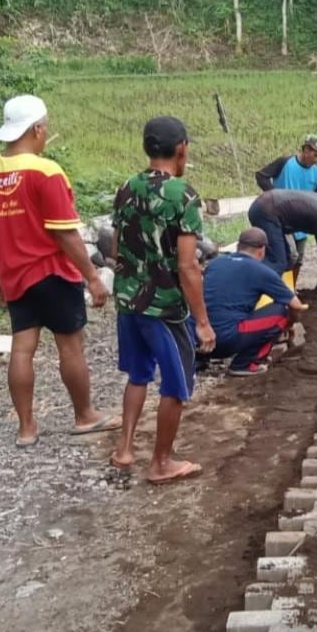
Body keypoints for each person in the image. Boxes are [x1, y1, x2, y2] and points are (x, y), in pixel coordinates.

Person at [0, 94, 114, 448]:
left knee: (22, 348)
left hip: (14, 275)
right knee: (70, 345)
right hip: (52, 271)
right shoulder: (46, 171)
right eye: (45, 127)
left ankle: (26, 428)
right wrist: (93, 277)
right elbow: (64, 232)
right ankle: (85, 416)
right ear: (37, 129)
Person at [109, 116, 216, 485]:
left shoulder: (126, 187)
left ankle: (124, 449)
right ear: (182, 147)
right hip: (164, 308)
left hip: (128, 302)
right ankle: (161, 462)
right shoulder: (182, 195)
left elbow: (118, 244)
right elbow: (188, 266)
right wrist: (202, 321)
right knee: (176, 384)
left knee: (138, 375)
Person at [196, 227, 307, 377]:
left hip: (200, 338)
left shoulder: (215, 264)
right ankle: (245, 363)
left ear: (238, 246)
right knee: (282, 312)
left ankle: (199, 359)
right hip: (225, 341)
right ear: (262, 250)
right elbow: (296, 305)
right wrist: (290, 323)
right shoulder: (262, 271)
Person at [254, 134, 317, 276]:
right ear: (306, 149)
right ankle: (274, 285)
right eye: (316, 154)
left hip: (302, 222)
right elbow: (261, 176)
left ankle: (292, 290)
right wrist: (273, 196)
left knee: (298, 259)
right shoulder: (285, 163)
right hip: (281, 219)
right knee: (283, 257)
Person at [247, 189, 317, 284]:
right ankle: (252, 283)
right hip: (266, 212)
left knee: (288, 258)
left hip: (267, 206)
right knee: (278, 261)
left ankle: (278, 288)